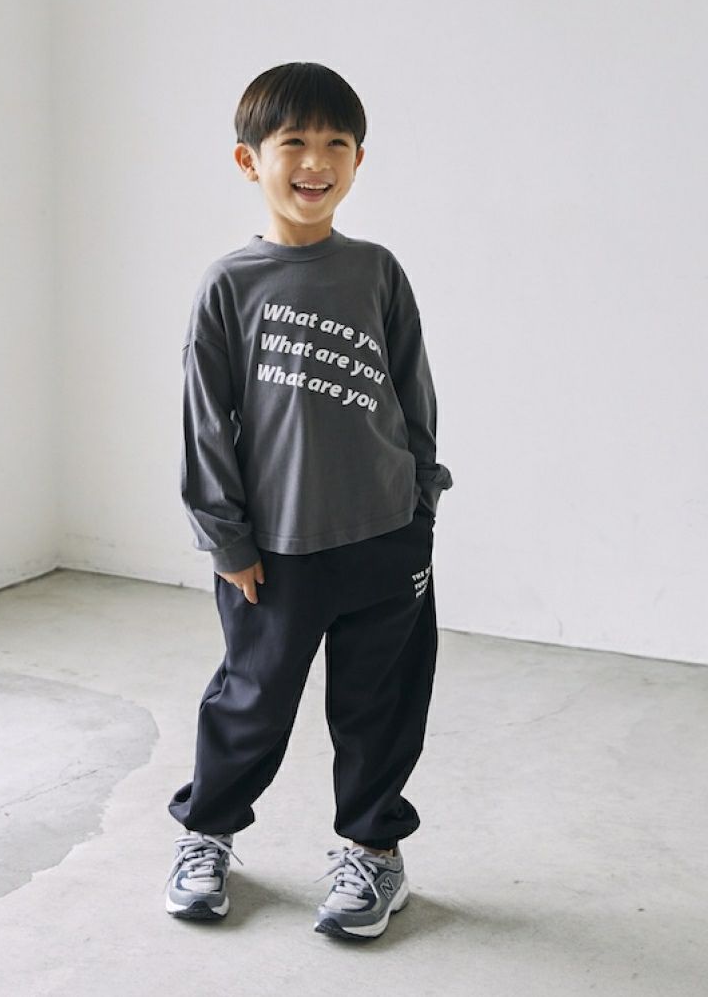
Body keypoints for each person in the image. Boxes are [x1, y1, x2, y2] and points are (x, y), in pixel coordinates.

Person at [164, 61, 453, 941]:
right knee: (250, 704)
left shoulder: (377, 271)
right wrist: (226, 540)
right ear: (250, 160)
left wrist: (422, 506)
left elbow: (414, 395)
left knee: (380, 707)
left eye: (336, 143)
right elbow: (205, 423)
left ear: (359, 159)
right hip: (275, 551)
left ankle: (374, 852)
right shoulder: (230, 283)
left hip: (385, 537)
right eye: (294, 142)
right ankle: (207, 834)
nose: (315, 161)